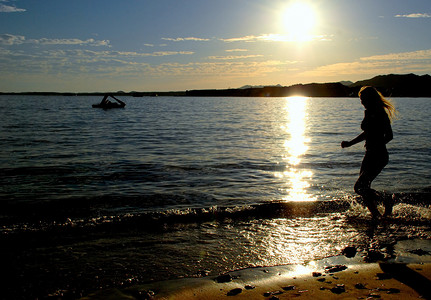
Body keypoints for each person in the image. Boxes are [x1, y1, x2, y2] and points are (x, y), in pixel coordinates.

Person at [341, 86, 396, 219]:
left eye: (364, 99)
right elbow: (366, 134)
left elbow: (389, 135)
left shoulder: (380, 113)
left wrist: (377, 145)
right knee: (363, 188)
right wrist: (350, 143)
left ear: (371, 99)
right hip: (369, 154)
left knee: (360, 187)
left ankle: (385, 200)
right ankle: (376, 215)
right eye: (361, 99)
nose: (362, 102)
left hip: (378, 155)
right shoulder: (368, 112)